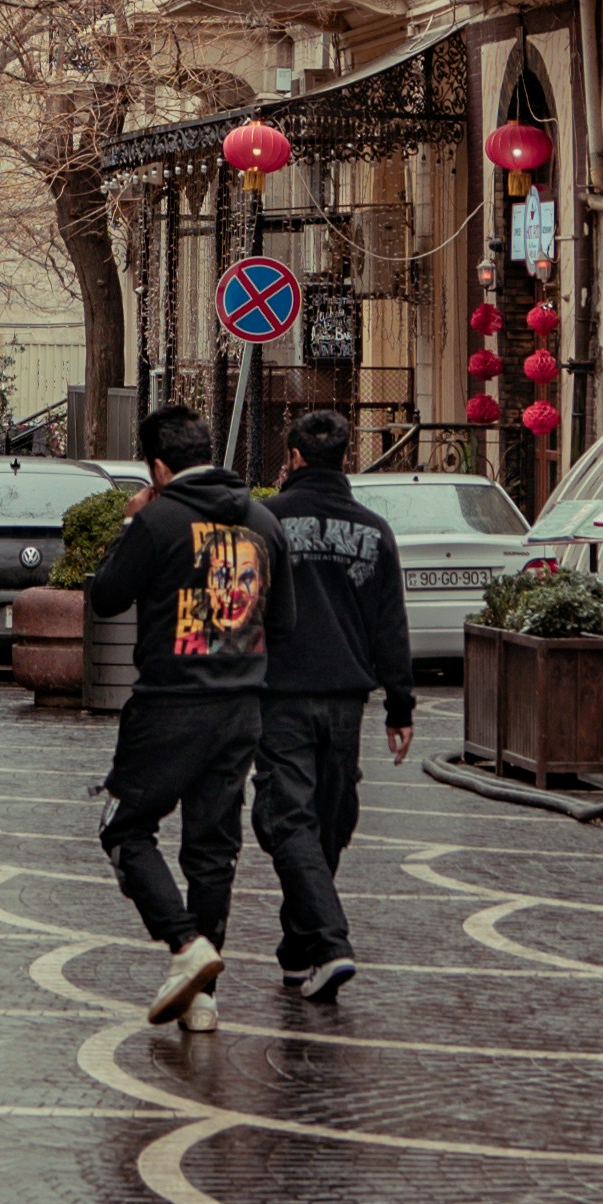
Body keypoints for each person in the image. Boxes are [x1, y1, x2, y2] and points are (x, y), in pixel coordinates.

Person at [83, 398, 296, 1024]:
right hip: (241, 708)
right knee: (211, 849)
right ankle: (202, 999)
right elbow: (282, 622)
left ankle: (185, 943)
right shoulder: (263, 521)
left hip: (169, 705)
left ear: (157, 467)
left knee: (124, 828)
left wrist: (132, 527)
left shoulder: (158, 521)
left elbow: (106, 596)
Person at [250, 403, 416, 1010]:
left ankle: (320, 942)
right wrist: (400, 705)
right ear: (345, 458)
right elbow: (390, 624)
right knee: (330, 817)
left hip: (280, 694)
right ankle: (306, 947)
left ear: (293, 459)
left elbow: (241, 611)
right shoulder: (374, 531)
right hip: (348, 700)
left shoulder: (264, 522)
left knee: (289, 816)